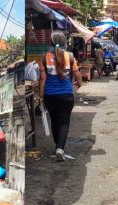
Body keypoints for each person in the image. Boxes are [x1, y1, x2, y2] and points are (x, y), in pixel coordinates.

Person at [39, 31, 83, 162]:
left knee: (54, 120)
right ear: (64, 42)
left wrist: (40, 95)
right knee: (64, 122)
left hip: (50, 95)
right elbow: (76, 73)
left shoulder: (43, 57)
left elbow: (42, 78)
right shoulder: (69, 56)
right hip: (66, 95)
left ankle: (58, 145)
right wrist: (79, 83)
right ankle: (60, 148)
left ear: (50, 42)